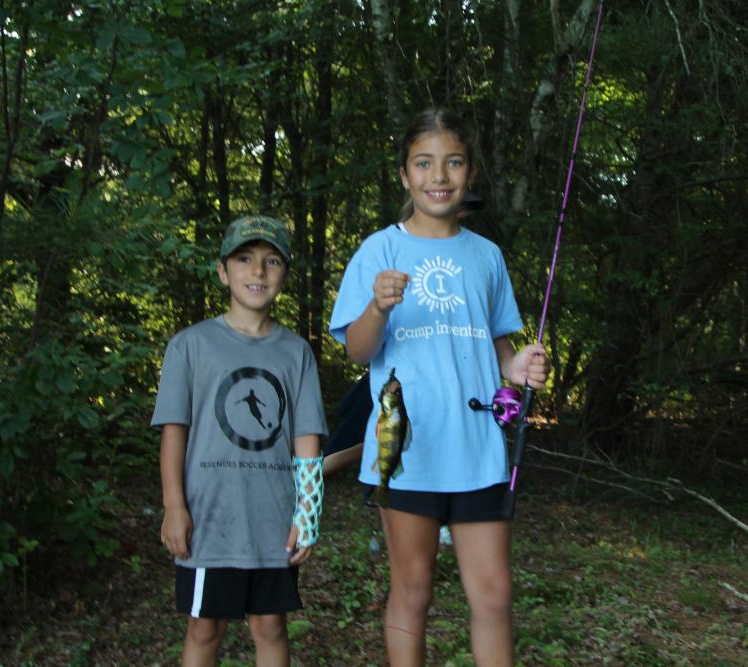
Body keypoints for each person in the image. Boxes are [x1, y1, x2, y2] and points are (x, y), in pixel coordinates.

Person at [328, 109, 548, 667]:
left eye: (452, 162)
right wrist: (377, 306)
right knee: (414, 589)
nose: (438, 175)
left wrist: (518, 367)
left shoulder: (486, 255)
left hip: (477, 448)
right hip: (405, 450)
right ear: (405, 176)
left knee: (495, 592)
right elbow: (357, 350)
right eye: (424, 164)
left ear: (469, 173)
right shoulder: (379, 250)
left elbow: (498, 350)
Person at [152, 214, 328, 667]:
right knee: (204, 627)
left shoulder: (296, 352)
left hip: (271, 515)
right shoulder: (191, 345)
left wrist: (306, 512)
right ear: (222, 271)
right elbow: (175, 431)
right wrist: (175, 506)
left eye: (272, 262)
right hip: (210, 517)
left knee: (270, 625)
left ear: (284, 275)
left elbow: (306, 437)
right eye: (245, 259)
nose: (258, 271)